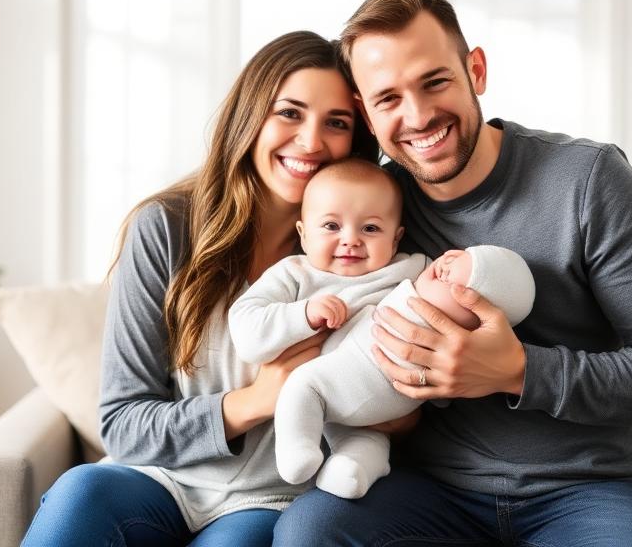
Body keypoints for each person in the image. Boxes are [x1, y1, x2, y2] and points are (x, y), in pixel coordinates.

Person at [273, 0, 632, 547]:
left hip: (593, 489)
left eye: (435, 81)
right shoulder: (371, 211)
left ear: (477, 70)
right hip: (429, 490)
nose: (418, 117)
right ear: (368, 116)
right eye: (388, 98)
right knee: (309, 532)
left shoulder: (586, 180)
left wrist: (519, 371)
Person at [20, 31, 378, 547]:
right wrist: (257, 400)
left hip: (271, 496)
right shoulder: (165, 228)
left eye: (336, 123)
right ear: (249, 115)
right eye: (290, 113)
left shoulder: (367, 243)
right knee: (81, 492)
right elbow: (122, 423)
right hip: (157, 479)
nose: (311, 141)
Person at [229, 158, 534, 500]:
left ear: (396, 237)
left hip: (389, 401)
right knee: (304, 395)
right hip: (317, 390)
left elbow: (457, 301)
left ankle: (358, 468)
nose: (351, 241)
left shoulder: (409, 268)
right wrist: (304, 314)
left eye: (370, 229)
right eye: (331, 226)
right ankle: (301, 453)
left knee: (368, 442)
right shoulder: (294, 274)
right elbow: (246, 329)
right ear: (303, 232)